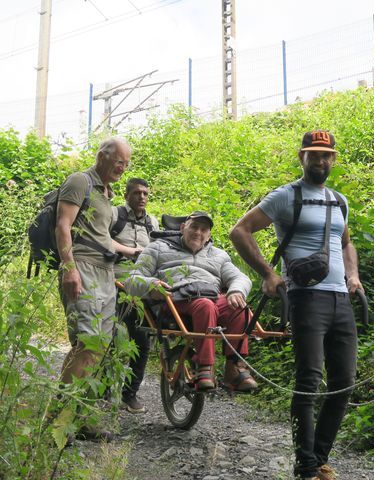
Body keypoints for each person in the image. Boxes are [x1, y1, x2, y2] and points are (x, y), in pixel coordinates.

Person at [230, 130, 363, 480]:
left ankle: (316, 460)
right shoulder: (285, 197)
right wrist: (269, 273)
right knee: (308, 380)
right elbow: (239, 231)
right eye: (313, 154)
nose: (321, 161)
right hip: (306, 298)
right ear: (301, 157)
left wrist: (353, 277)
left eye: (326, 155)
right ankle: (306, 465)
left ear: (333, 159)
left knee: (344, 382)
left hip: (340, 300)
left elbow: (346, 244)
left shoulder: (339, 200)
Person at [124, 211, 258, 393]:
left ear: (209, 235)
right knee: (205, 305)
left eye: (204, 229)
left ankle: (235, 368)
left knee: (239, 308)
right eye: (194, 227)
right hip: (175, 298)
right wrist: (152, 285)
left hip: (210, 295)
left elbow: (240, 278)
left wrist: (236, 291)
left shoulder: (218, 255)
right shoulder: (157, 248)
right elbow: (132, 280)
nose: (198, 232)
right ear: (182, 228)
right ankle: (204, 367)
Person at [57, 137, 131, 440]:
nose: (122, 168)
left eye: (126, 164)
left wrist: (131, 250)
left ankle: (81, 415)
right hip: (83, 269)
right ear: (102, 155)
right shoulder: (80, 181)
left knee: (98, 347)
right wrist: (69, 268)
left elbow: (100, 236)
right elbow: (63, 225)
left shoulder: (106, 193)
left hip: (105, 272)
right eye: (118, 161)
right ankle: (60, 419)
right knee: (86, 343)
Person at [110, 178, 160, 413]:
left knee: (142, 338)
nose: (142, 197)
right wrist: (131, 251)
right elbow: (102, 238)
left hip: (140, 287)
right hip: (112, 282)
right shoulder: (114, 215)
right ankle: (104, 392)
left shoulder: (153, 222)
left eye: (145, 193)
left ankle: (130, 395)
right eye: (137, 193)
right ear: (126, 194)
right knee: (108, 338)